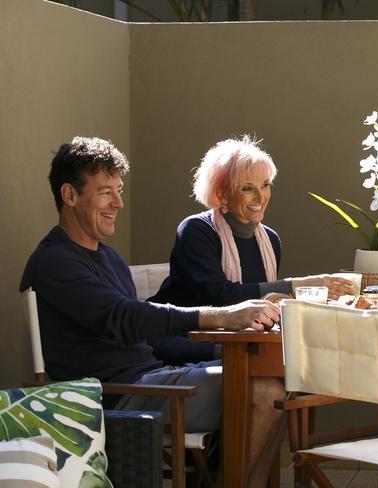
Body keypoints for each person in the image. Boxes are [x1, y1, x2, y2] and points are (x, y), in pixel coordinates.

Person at [20, 136, 284, 487]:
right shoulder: (54, 262)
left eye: (118, 190)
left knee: (274, 373)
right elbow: (126, 318)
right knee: (265, 390)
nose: (118, 202)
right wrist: (220, 315)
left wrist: (218, 349)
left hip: (155, 379)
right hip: (116, 397)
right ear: (69, 195)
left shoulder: (108, 257)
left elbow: (149, 337)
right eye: (105, 192)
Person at [150, 135, 354, 307]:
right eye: (247, 188)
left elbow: (264, 301)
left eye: (265, 185)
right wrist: (297, 285)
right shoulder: (196, 230)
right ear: (222, 194)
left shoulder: (270, 239)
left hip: (239, 341)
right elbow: (218, 298)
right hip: (182, 340)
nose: (260, 196)